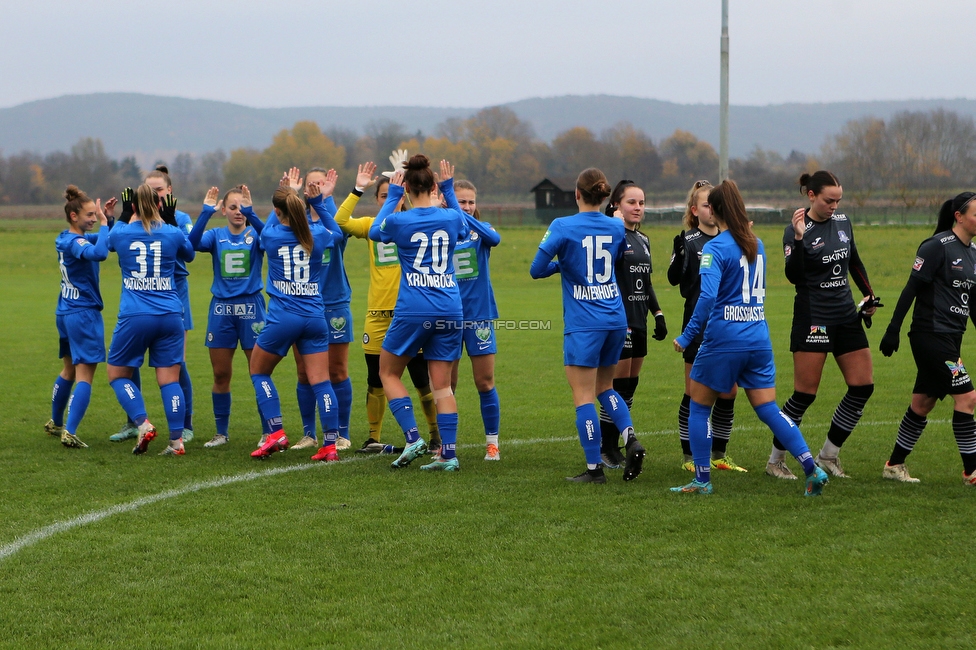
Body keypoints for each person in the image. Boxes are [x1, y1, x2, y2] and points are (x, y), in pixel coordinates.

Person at [672, 180, 829, 496]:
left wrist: (688, 335)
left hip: (723, 340)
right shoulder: (756, 243)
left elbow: (705, 299)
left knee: (699, 407)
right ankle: (812, 467)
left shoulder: (713, 248)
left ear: (715, 211)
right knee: (769, 409)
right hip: (757, 337)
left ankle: (702, 479)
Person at [530, 167, 646, 483]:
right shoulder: (615, 226)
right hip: (615, 318)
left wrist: (562, 266)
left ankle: (594, 469)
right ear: (603, 196)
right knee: (605, 387)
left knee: (583, 395)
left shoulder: (562, 225)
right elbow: (620, 257)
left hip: (584, 321)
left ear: (577, 194)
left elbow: (536, 269)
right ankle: (630, 435)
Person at [767, 171, 878, 480]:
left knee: (862, 386)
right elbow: (794, 276)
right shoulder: (795, 229)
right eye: (829, 200)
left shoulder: (843, 222)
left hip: (845, 315)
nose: (834, 205)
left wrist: (869, 295)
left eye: (838, 200)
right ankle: (775, 461)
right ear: (811, 196)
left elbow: (853, 261)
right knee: (805, 394)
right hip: (813, 317)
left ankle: (829, 455)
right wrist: (801, 237)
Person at [333, 157, 441, 455]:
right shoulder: (372, 227)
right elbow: (339, 222)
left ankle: (435, 436)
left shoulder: (414, 223)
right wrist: (356, 190)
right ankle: (373, 438)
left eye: (392, 194)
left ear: (404, 193)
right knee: (375, 377)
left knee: (421, 380)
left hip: (410, 312)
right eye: (382, 196)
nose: (388, 199)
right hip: (377, 315)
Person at [367, 156, 467, 471]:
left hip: (414, 309)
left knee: (388, 372)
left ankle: (413, 438)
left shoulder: (400, 221)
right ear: (434, 186)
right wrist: (450, 190)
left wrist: (393, 197)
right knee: (442, 386)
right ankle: (448, 454)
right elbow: (464, 223)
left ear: (407, 187)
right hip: (450, 308)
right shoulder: (451, 218)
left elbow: (373, 231)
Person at [879, 192, 976, 484]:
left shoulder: (973, 252)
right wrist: (893, 329)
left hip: (951, 336)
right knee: (968, 398)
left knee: (922, 403)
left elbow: (973, 303)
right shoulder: (936, 246)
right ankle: (972, 471)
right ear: (959, 216)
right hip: (930, 335)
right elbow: (911, 289)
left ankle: (894, 465)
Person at [249, 182, 341, 460]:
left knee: (259, 372)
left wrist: (287, 195)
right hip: (315, 316)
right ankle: (330, 445)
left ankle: (276, 433)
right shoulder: (315, 235)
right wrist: (318, 203)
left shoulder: (273, 235)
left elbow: (263, 232)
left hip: (283, 317)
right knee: (321, 382)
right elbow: (336, 232)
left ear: (278, 212)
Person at [106, 183, 196, 455]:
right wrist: (170, 220)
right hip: (170, 313)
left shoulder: (122, 232)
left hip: (136, 314)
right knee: (170, 380)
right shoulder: (171, 232)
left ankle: (143, 422)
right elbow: (189, 254)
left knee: (117, 374)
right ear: (160, 205)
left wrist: (121, 216)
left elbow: (109, 243)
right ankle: (177, 441)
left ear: (132, 206)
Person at [667, 180, 742, 472]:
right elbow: (674, 280)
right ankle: (689, 457)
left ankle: (720, 454)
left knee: (729, 391)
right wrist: (680, 255)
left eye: (714, 204)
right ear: (694, 209)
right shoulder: (688, 240)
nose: (711, 209)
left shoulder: (730, 240)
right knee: (693, 392)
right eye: (705, 204)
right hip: (697, 324)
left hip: (727, 323)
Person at [187, 185, 266, 448]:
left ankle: (269, 431)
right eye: (233, 207)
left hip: (251, 308)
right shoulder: (215, 236)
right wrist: (205, 213)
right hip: (221, 309)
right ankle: (221, 433)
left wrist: (253, 213)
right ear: (223, 210)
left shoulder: (256, 235)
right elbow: (191, 245)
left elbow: (272, 237)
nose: (238, 212)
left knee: (258, 371)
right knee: (221, 374)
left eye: (242, 207)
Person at [284, 167, 355, 452]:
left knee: (337, 371)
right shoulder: (294, 225)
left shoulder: (333, 219)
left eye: (320, 184)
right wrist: (288, 195)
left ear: (329, 187)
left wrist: (323, 202)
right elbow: (269, 233)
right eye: (309, 185)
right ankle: (308, 434)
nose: (314, 188)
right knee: (304, 373)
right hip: (302, 306)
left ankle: (341, 433)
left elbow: (337, 234)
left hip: (334, 304)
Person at [598, 180, 665, 470]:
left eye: (641, 203)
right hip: (618, 320)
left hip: (639, 320)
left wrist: (658, 313)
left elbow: (646, 282)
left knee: (630, 385)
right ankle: (608, 447)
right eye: (631, 203)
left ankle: (615, 444)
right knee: (616, 384)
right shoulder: (611, 236)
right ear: (616, 205)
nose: (638, 208)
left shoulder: (644, 240)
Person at [47, 186, 114, 448]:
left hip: (64, 311)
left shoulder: (64, 238)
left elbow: (103, 240)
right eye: (90, 214)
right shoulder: (76, 242)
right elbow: (100, 253)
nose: (94, 219)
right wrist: (107, 224)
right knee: (85, 375)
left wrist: (111, 219)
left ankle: (56, 422)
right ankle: (70, 431)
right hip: (83, 314)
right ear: (74, 216)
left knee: (69, 369)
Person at [449, 179, 503, 461]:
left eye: (471, 202)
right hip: (446, 317)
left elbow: (495, 240)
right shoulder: (441, 232)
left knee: (485, 382)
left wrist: (464, 217)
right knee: (448, 384)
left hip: (479, 317)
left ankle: (492, 443)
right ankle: (445, 445)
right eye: (461, 202)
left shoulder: (482, 232)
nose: (468, 207)